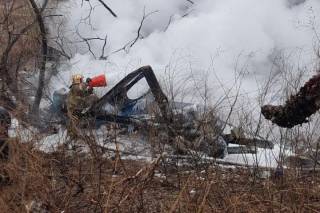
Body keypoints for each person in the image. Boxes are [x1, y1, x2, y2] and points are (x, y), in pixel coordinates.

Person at [66, 74, 98, 139]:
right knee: (74, 122)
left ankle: (72, 136)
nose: (82, 80)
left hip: (77, 106)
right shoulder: (74, 86)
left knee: (74, 122)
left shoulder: (76, 88)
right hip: (74, 108)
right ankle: (72, 137)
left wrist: (89, 91)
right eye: (81, 79)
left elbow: (82, 94)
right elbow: (80, 88)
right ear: (77, 80)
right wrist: (87, 83)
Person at [0, 107, 11, 184]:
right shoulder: (4, 110)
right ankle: (6, 178)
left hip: (2, 138)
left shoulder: (3, 111)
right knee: (5, 158)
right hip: (4, 138)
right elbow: (8, 125)